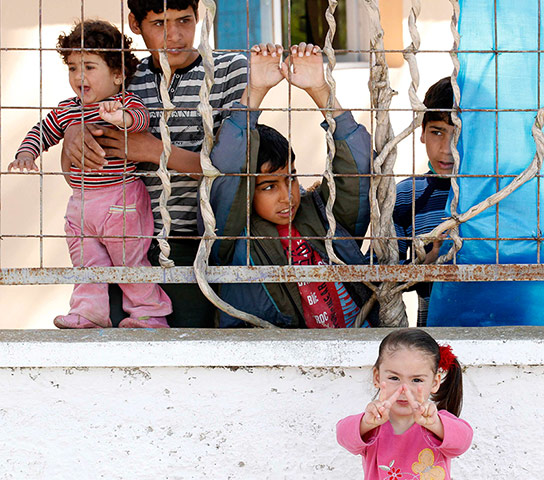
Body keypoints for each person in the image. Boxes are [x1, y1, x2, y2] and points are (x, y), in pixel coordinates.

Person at [60, 0, 248, 327]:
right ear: (135, 23)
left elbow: (232, 169)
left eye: (184, 20)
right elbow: (74, 170)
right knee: (121, 352)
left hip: (195, 242)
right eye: (159, 23)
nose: (174, 35)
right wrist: (73, 132)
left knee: (190, 349)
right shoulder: (121, 78)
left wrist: (152, 150)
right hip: (123, 238)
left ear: (199, 16)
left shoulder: (230, 70)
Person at [10, 20, 172, 329]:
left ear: (117, 74)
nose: (78, 76)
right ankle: (89, 313)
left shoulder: (122, 103)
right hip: (82, 203)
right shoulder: (66, 109)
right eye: (72, 67)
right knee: (86, 261)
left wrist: (120, 118)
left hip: (120, 197)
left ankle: (149, 314)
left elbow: (140, 119)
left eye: (88, 67)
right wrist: (26, 154)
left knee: (130, 261)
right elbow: (42, 131)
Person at [207, 42, 378, 328]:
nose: (288, 197)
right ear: (247, 191)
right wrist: (257, 91)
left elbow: (356, 171)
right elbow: (228, 171)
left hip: (357, 344)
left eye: (291, 179)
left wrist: (320, 90)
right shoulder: (233, 238)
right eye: (268, 187)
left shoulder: (322, 214)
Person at [336, 328, 472, 479]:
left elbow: (463, 442)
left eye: (416, 380)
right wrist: (365, 423)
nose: (404, 390)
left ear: (435, 382)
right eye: (394, 378)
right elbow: (343, 436)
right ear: (377, 377)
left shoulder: (438, 424)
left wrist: (436, 424)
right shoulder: (372, 426)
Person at [392, 77, 455, 326]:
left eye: (458, 134)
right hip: (433, 341)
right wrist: (427, 263)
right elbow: (380, 277)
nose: (446, 149)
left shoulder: (496, 194)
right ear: (422, 133)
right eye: (437, 132)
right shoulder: (407, 195)